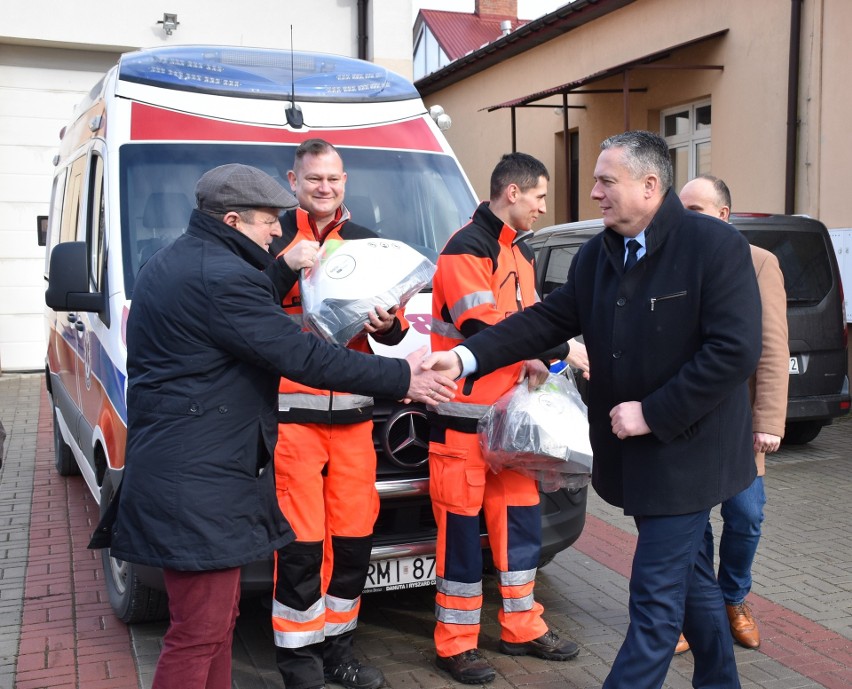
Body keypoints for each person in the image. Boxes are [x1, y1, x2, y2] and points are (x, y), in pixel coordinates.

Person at [94, 163, 456, 689]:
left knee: (217, 627)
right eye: (268, 222)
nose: (275, 232)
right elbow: (301, 355)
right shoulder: (220, 276)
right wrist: (405, 376)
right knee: (198, 635)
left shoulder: (181, 260)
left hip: (200, 470)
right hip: (199, 481)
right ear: (235, 219)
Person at [423, 131, 763, 689]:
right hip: (635, 458)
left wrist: (653, 413)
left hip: (689, 455)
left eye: (607, 181)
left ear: (650, 185)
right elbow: (541, 322)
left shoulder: (712, 246)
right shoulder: (599, 253)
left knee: (653, 605)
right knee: (695, 581)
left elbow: (734, 350)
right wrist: (464, 358)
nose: (595, 193)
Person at [428, 152, 579, 685]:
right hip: (464, 422)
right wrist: (560, 347)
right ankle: (454, 645)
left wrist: (539, 355)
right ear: (512, 192)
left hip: (509, 423)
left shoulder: (521, 252)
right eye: (539, 196)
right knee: (463, 538)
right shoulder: (465, 248)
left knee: (518, 532)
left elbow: (525, 325)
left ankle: (523, 627)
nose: (543, 206)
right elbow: (483, 329)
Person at [267, 139, 406, 689]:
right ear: (293, 179)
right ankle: (298, 665)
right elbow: (241, 305)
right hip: (293, 418)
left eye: (334, 179)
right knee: (300, 545)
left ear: (345, 181)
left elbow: (395, 331)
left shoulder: (369, 242)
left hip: (353, 418)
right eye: (313, 178)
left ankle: (338, 651)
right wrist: (283, 267)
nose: (325, 188)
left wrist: (386, 326)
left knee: (353, 538)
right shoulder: (271, 237)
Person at [674, 174, 788, 654]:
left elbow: (772, 346)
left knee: (745, 517)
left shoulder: (759, 263)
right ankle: (693, 610)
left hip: (739, 422)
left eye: (695, 211)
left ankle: (734, 597)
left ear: (723, 216)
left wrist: (768, 419)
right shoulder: (671, 262)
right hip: (683, 419)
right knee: (690, 523)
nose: (684, 219)